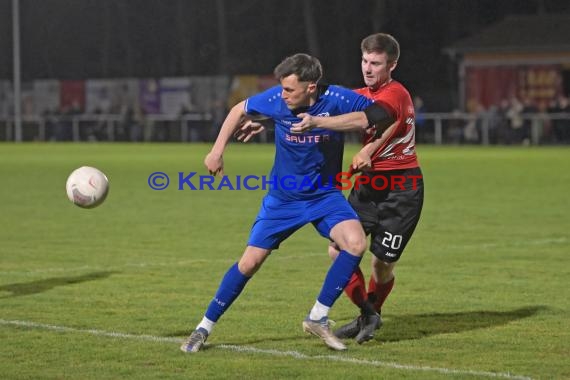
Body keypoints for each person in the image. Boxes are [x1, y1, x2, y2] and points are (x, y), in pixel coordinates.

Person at [181, 53, 393, 353]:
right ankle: (203, 328)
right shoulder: (277, 101)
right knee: (249, 262)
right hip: (283, 200)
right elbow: (237, 111)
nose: (283, 95)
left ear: (311, 87)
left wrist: (356, 141)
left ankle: (318, 317)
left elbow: (383, 115)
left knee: (355, 244)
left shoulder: (336, 98)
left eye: (290, 90)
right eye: (282, 89)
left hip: (325, 196)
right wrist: (217, 151)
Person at [289, 33, 424, 344]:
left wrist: (364, 150)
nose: (368, 67)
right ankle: (368, 313)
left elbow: (371, 121)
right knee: (337, 249)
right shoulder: (359, 93)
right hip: (367, 185)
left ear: (392, 65)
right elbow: (314, 105)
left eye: (375, 63)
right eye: (364, 61)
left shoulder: (396, 93)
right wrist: (262, 121)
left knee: (382, 262)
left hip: (402, 189)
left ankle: (369, 314)